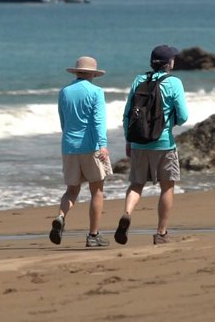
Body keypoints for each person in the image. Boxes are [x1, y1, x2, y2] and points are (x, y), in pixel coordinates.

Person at [114, 45, 188, 245]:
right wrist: (169, 121)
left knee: (136, 184)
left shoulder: (139, 80)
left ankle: (127, 213)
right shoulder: (174, 82)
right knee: (167, 186)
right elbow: (183, 117)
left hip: (138, 142)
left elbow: (128, 113)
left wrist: (129, 139)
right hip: (163, 143)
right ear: (169, 63)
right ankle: (161, 233)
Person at [50, 56, 111, 248]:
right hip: (90, 146)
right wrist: (103, 145)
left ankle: (60, 216)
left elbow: (63, 121)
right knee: (97, 191)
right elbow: (99, 121)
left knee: (72, 190)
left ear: (76, 72)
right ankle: (93, 235)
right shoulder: (96, 92)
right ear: (93, 73)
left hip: (69, 145)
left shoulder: (64, 92)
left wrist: (69, 139)